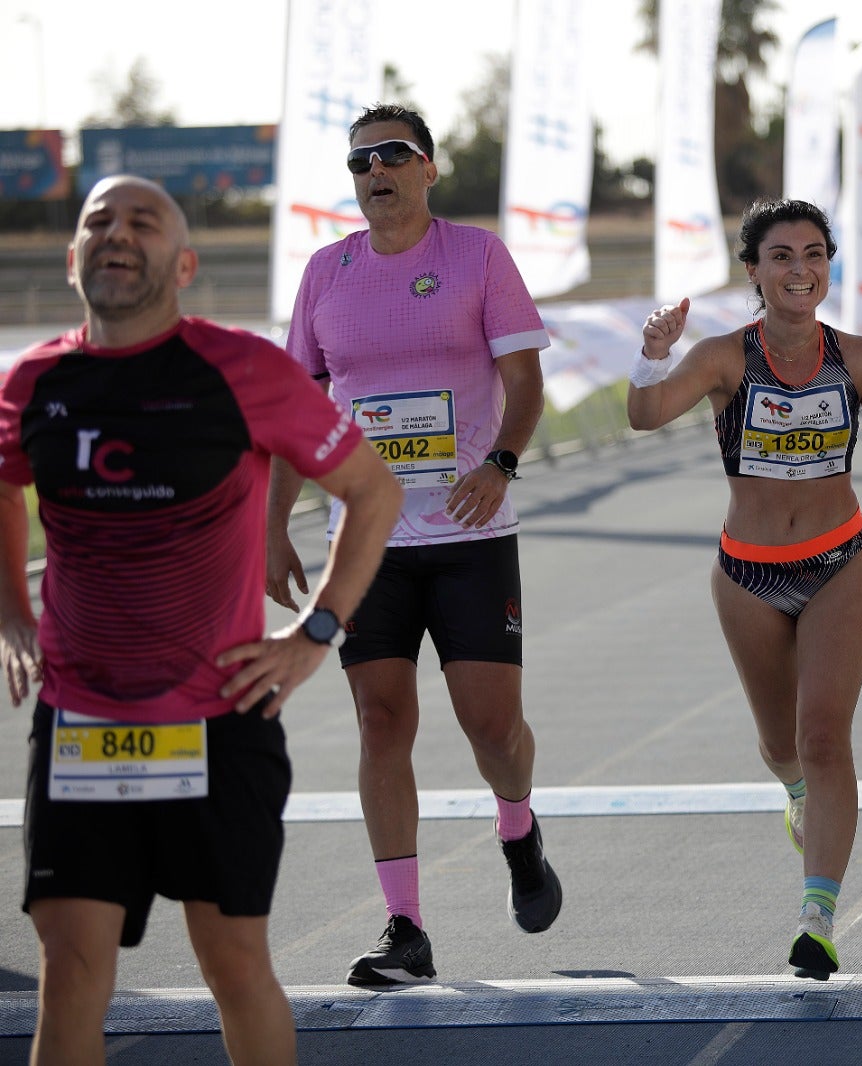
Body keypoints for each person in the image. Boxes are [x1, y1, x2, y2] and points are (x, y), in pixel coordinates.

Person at [0, 175, 401, 1065]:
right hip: (79, 723)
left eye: (142, 222)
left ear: (182, 264)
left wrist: (315, 634)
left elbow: (373, 492)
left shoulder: (246, 369)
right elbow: (2, 482)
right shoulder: (36, 381)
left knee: (235, 964)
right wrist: (10, 611)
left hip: (218, 719)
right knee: (69, 972)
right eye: (97, 221)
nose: (116, 233)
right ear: (72, 261)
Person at [266, 104, 559, 987]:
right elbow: (296, 411)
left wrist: (503, 462)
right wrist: (275, 519)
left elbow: (524, 379)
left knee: (492, 726)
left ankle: (518, 827)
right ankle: (407, 929)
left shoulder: (474, 256)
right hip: (368, 541)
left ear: (428, 169)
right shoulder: (326, 274)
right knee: (380, 720)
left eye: (393, 155)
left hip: (471, 530)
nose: (375, 171)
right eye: (360, 161)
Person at [627, 198, 862, 981]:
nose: (799, 269)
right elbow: (644, 415)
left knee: (823, 734)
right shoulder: (722, 357)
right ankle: (798, 795)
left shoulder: (861, 357)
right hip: (746, 575)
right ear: (755, 271)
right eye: (781, 256)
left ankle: (818, 916)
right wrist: (652, 355)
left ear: (828, 266)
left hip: (841, 561)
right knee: (782, 748)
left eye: (813, 254)